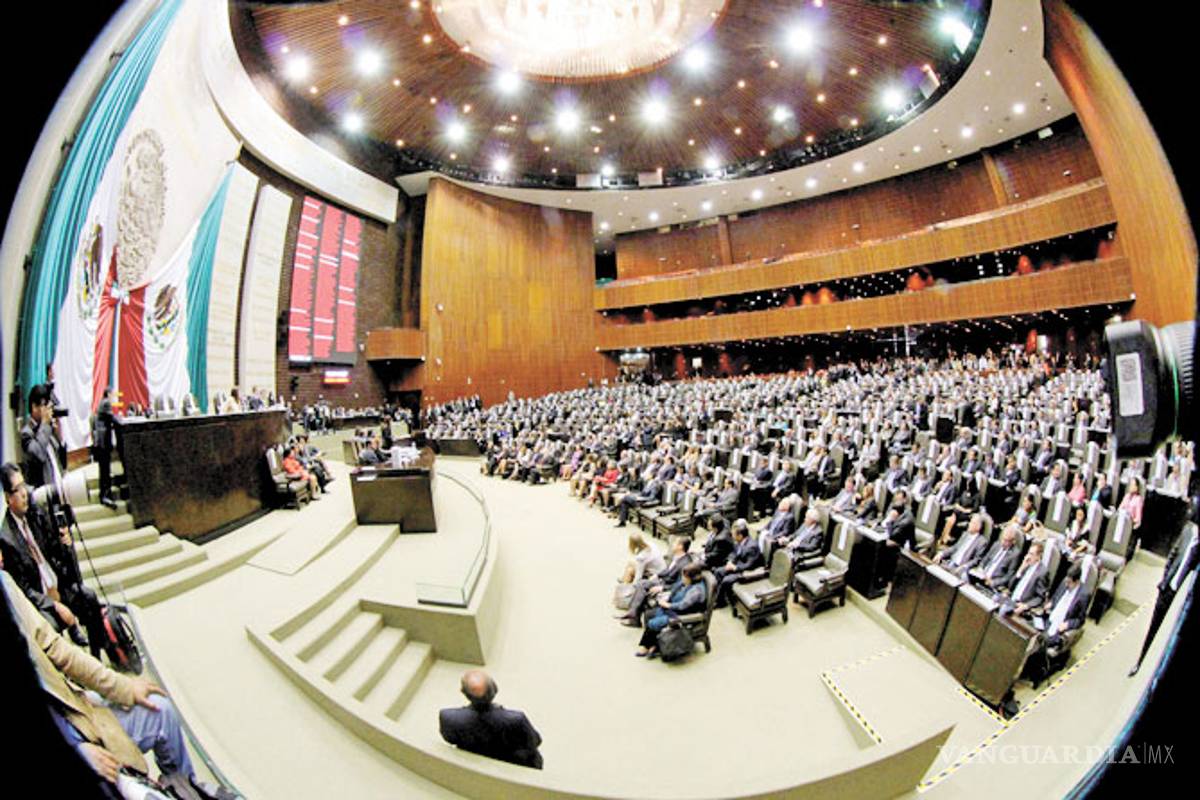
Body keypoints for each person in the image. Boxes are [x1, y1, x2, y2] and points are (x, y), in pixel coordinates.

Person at [0, 568, 234, 800]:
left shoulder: (4, 583)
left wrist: (124, 687)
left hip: (78, 718)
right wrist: (76, 750)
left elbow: (58, 649)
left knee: (159, 709)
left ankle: (184, 789)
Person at [1, 463, 107, 659]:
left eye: (24, 486)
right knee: (49, 627)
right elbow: (24, 589)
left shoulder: (36, 514)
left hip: (60, 587)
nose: (25, 493)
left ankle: (96, 655)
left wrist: (65, 543)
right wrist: (55, 605)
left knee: (89, 597)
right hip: (43, 602)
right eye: (18, 489)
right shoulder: (7, 539)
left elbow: (58, 555)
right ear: (8, 498)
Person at [439, 670, 543, 769]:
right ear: (495, 689)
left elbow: (449, 739)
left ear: (463, 692)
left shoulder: (448, 717)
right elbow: (536, 741)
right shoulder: (516, 719)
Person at [635, 563, 707, 659]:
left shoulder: (696, 591)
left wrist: (668, 605)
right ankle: (654, 645)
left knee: (653, 622)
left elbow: (683, 606)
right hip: (673, 610)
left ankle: (646, 646)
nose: (682, 578)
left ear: (691, 578)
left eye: (684, 577)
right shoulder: (688, 582)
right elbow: (674, 588)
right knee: (649, 614)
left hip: (681, 615)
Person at [713, 519, 764, 609]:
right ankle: (721, 598)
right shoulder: (740, 541)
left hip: (748, 571)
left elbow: (749, 565)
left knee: (726, 580)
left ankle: (721, 602)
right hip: (737, 564)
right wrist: (730, 561)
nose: (732, 537)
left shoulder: (752, 547)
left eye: (733, 535)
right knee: (718, 572)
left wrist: (735, 567)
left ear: (740, 535)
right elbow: (734, 552)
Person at [998, 541, 1050, 616]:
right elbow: (1010, 585)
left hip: (1021, 604)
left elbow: (1040, 597)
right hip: (1011, 598)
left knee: (1003, 610)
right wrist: (1021, 569)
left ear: (1038, 556)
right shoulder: (1026, 565)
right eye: (1028, 553)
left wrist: (1026, 606)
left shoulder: (1043, 572)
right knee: (994, 599)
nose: (1028, 557)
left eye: (1031, 554)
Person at [91, 388, 118, 509]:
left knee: (105, 470)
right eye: (112, 394)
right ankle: (105, 495)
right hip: (103, 442)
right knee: (105, 470)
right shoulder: (106, 402)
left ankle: (106, 493)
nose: (113, 396)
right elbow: (113, 419)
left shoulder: (102, 402)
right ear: (108, 394)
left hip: (101, 442)